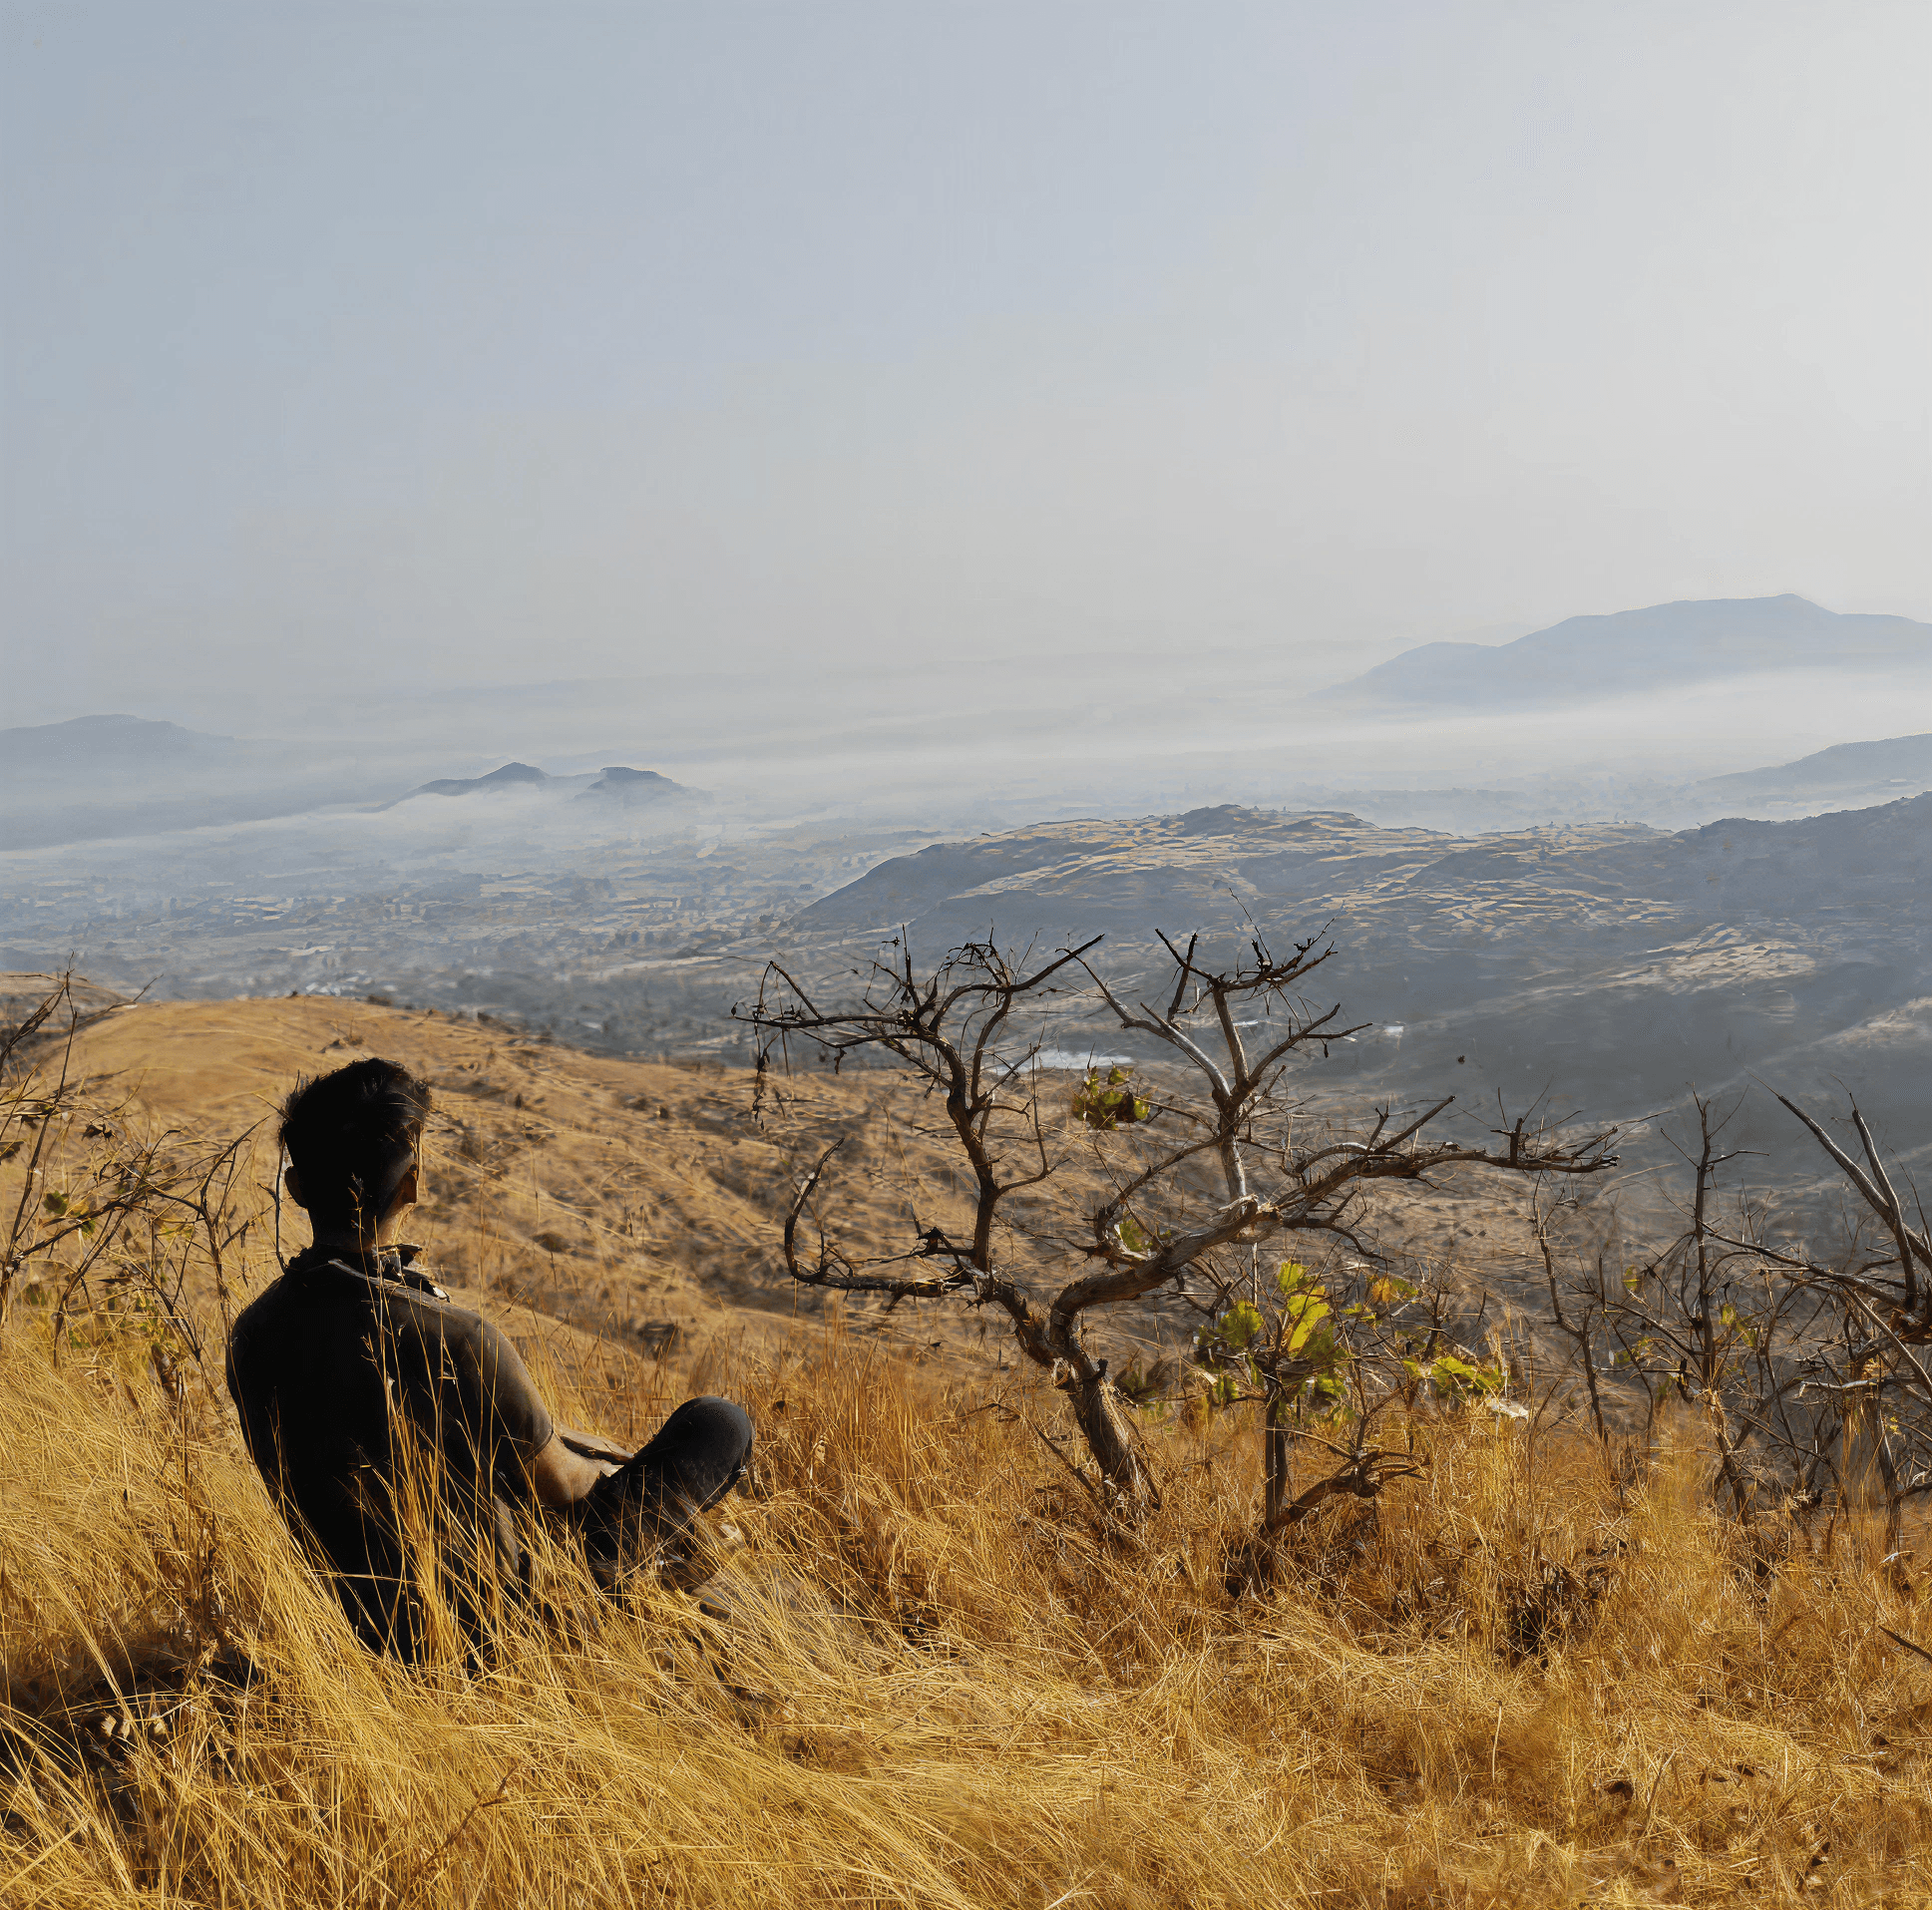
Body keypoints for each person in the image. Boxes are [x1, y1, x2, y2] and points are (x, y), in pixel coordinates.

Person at [225, 1056, 752, 1660]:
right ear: (411, 1185)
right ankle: (634, 1588)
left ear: (293, 1189)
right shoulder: (457, 1338)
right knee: (720, 1423)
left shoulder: (253, 1333)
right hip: (496, 1628)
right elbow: (566, 1489)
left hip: (367, 1630)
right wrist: (624, 1472)